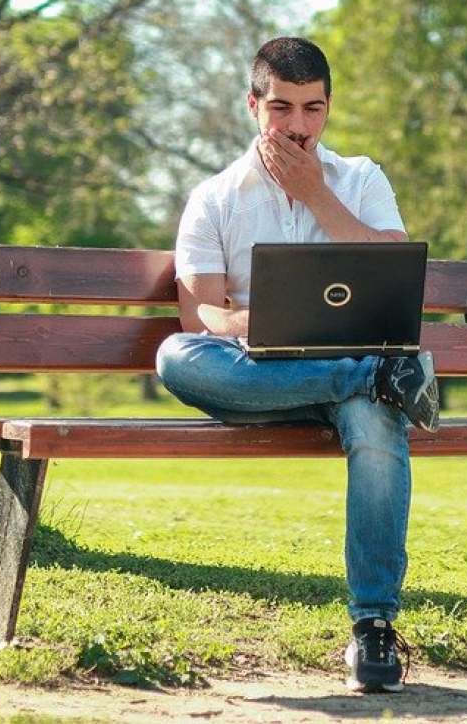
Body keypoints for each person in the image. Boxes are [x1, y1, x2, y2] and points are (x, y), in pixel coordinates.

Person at [154, 36, 439, 693]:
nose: (298, 126)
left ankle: (373, 628)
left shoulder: (361, 179)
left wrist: (316, 196)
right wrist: (261, 326)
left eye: (313, 109)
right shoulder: (214, 197)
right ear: (253, 105)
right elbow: (200, 317)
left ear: (328, 108)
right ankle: (372, 378)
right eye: (282, 107)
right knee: (175, 357)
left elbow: (391, 272)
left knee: (374, 419)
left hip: (346, 377)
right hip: (254, 380)